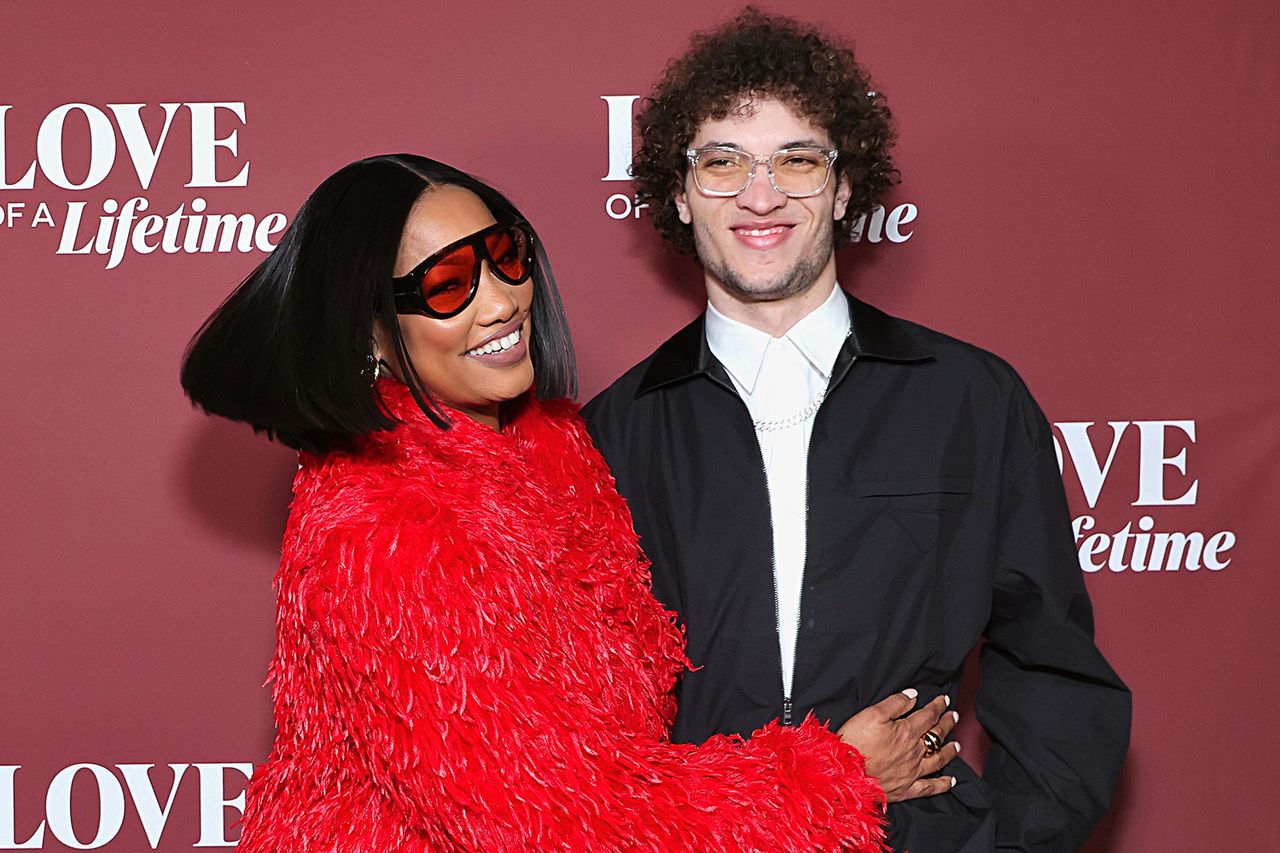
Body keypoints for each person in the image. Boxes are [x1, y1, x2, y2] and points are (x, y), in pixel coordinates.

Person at [180, 153, 953, 851]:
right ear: (373, 333)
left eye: (504, 255)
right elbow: (559, 824)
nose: (502, 301)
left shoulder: (553, 451)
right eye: (449, 284)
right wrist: (834, 777)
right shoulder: (383, 531)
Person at [582, 10, 1132, 852]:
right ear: (679, 194)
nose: (759, 195)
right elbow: (578, 726)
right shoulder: (608, 437)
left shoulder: (970, 400)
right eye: (723, 162)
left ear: (842, 187)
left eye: (796, 160)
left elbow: (1055, 670)